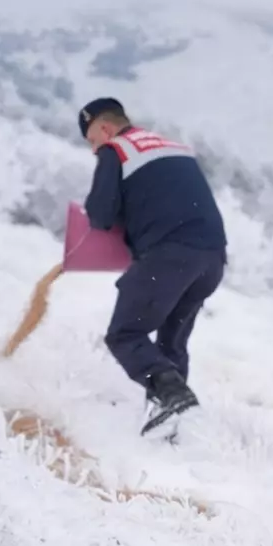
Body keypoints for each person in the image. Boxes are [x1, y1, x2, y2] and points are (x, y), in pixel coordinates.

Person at [79, 97, 228, 437]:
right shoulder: (173, 147)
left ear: (104, 128)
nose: (93, 150)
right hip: (213, 260)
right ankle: (174, 430)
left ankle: (177, 402)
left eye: (91, 140)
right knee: (171, 346)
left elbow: (101, 215)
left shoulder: (116, 150)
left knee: (125, 334)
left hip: (171, 257)